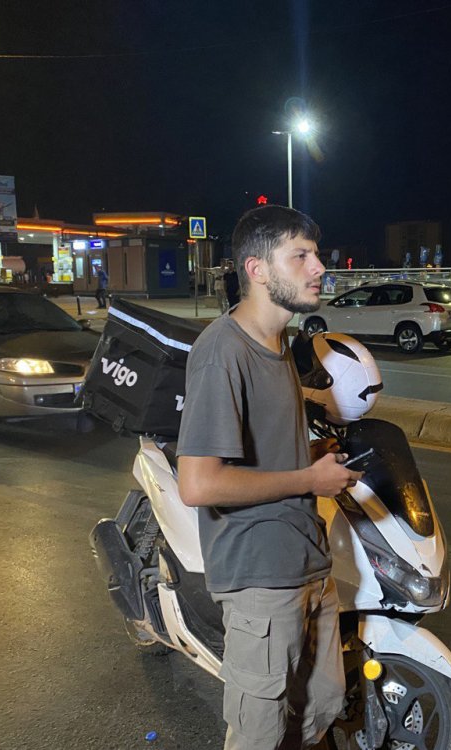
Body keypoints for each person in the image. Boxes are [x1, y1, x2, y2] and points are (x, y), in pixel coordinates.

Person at [176, 204, 360, 750]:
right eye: (301, 255)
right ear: (257, 270)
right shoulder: (221, 352)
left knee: (319, 708)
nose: (319, 267)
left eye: (317, 254)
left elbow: (270, 449)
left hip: (308, 563)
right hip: (260, 579)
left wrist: (317, 454)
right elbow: (199, 484)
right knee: (259, 733)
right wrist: (309, 479)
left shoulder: (278, 348)